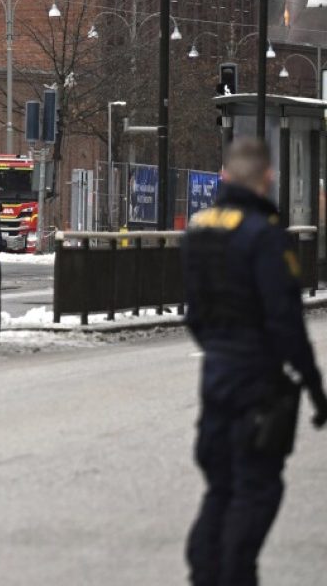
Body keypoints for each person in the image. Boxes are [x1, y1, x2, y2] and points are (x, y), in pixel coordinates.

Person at [182, 137, 327, 585]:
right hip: (256, 380)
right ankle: (234, 575)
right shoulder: (264, 236)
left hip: (216, 374)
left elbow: (195, 313)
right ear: (267, 177)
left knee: (221, 484)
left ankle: (205, 573)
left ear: (224, 175)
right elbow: (285, 321)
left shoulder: (200, 228)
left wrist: (220, 348)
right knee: (258, 487)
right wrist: (313, 385)